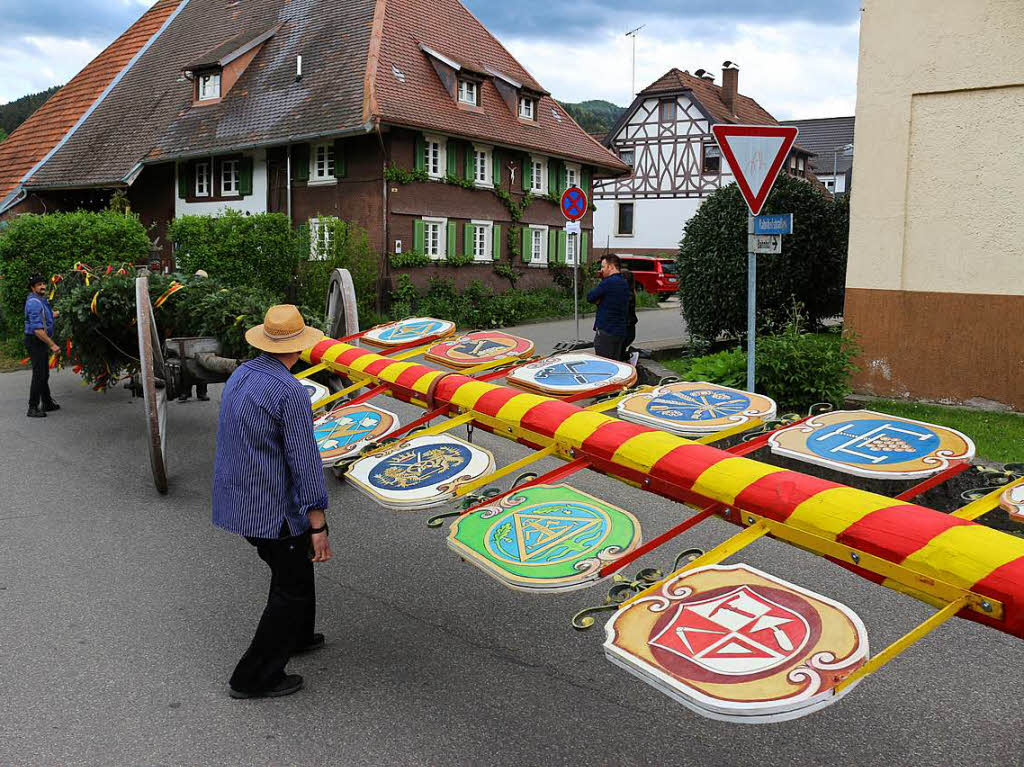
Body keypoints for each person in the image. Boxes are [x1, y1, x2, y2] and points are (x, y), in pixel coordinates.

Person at [212, 304, 332, 699]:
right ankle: (252, 678)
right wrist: (318, 524)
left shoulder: (242, 374)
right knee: (290, 586)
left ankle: (297, 636)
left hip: (239, 499)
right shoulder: (290, 392)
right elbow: (305, 461)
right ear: (300, 347)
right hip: (272, 510)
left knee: (294, 570)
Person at [24, 275, 60, 418]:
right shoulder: (33, 302)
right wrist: (52, 345)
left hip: (41, 341)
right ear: (33, 288)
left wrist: (62, 312)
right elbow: (37, 330)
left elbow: (48, 315)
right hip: (36, 341)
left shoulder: (41, 300)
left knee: (44, 374)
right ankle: (32, 408)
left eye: (43, 284)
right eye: (39, 285)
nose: (43, 286)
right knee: (39, 375)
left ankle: (47, 403)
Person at [585, 255, 630, 361]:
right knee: (616, 363)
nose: (601, 270)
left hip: (606, 331)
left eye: (603, 266)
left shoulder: (607, 282)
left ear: (611, 267)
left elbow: (590, 297)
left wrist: (599, 300)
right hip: (620, 331)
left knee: (604, 365)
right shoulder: (624, 283)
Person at [620, 267, 639, 364]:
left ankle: (632, 355)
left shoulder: (627, 295)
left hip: (626, 327)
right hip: (629, 326)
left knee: (618, 353)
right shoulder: (631, 292)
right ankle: (630, 355)